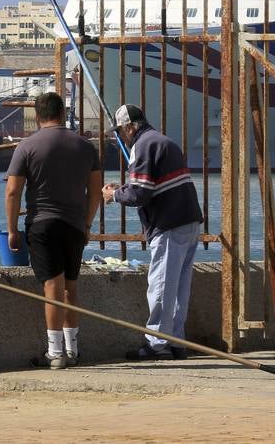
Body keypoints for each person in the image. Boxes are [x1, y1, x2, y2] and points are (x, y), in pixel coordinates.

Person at [5, 91, 103, 369]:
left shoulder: (27, 146)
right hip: (74, 225)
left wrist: (12, 229)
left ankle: (54, 352)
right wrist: (86, 223)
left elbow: (13, 191)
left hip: (42, 224)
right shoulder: (85, 147)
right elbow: (95, 191)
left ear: (37, 116)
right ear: (62, 113)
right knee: (71, 287)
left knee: (52, 287)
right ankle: (73, 350)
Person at [103, 103, 204, 360]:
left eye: (120, 131)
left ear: (129, 127)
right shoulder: (162, 140)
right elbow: (149, 184)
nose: (120, 137)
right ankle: (176, 342)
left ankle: (156, 343)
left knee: (160, 284)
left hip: (169, 223)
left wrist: (113, 195)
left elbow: (140, 194)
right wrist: (124, 186)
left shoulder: (143, 145)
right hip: (188, 219)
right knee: (180, 287)